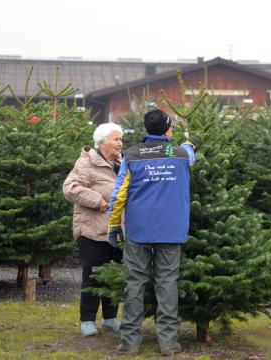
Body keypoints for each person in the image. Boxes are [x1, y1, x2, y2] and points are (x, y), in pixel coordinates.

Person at [107, 109, 195, 356]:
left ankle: (129, 343)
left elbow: (119, 194)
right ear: (168, 130)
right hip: (171, 230)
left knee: (134, 284)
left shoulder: (132, 156)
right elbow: (190, 153)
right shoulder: (179, 154)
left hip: (139, 231)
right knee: (167, 284)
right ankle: (168, 343)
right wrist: (189, 144)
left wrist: (114, 224)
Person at [63, 123, 124, 336]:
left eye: (121, 139)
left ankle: (109, 318)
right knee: (94, 275)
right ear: (101, 142)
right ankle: (87, 320)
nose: (120, 144)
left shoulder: (123, 163)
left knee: (114, 274)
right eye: (116, 139)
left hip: (117, 230)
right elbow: (70, 189)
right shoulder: (86, 162)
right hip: (92, 230)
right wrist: (97, 200)